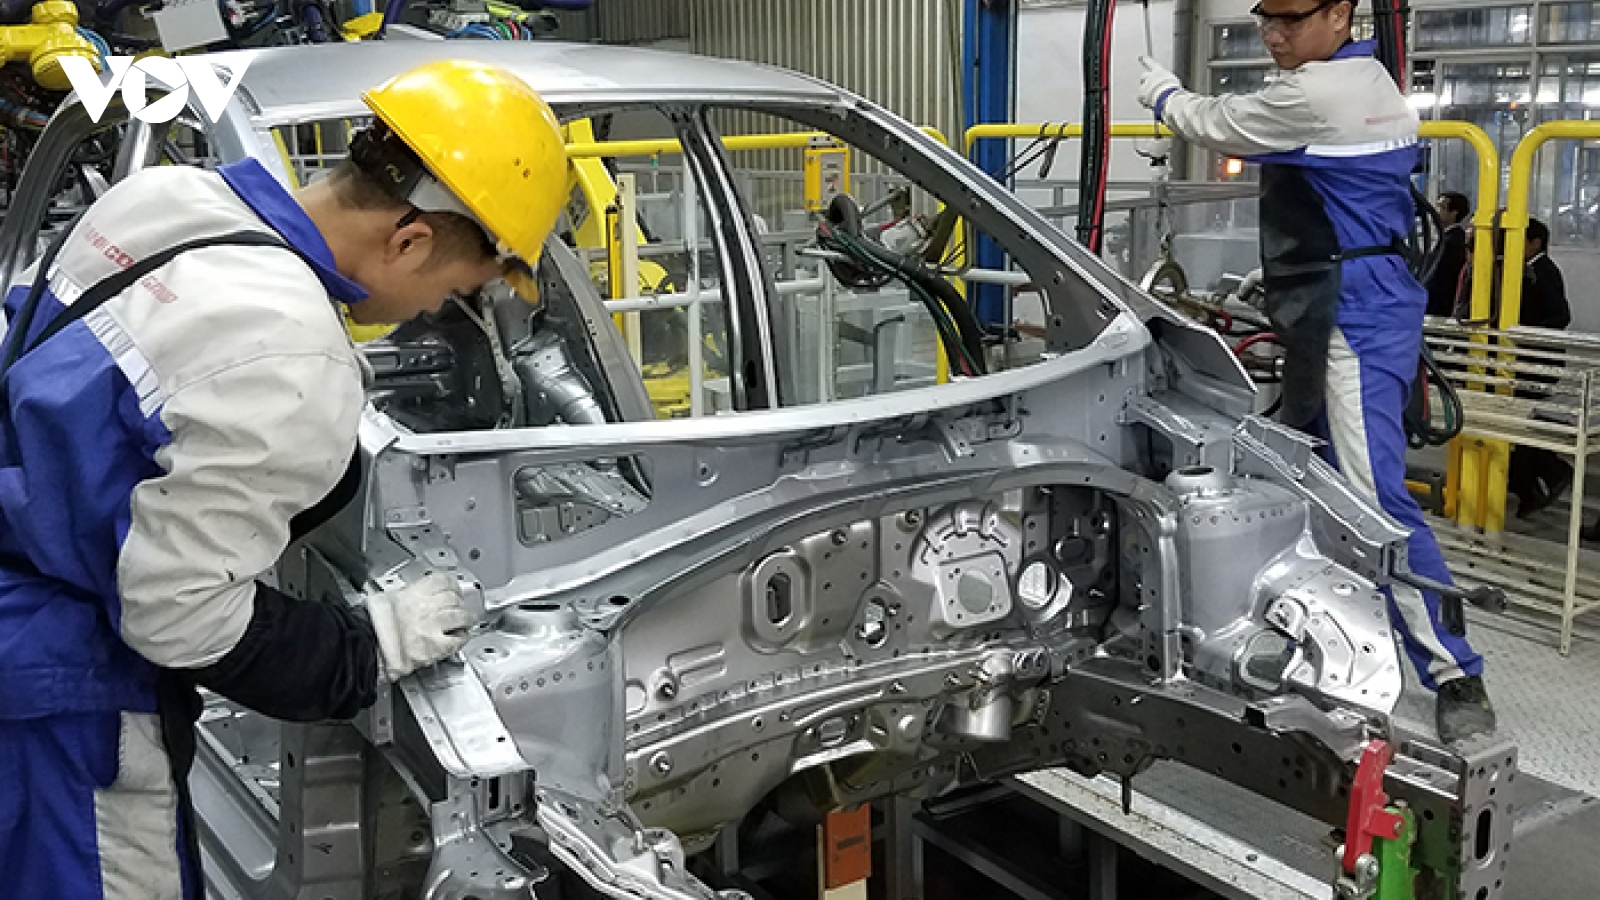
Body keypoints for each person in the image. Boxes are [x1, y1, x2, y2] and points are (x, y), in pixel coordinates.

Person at [0, 60, 568, 898]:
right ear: (409, 240)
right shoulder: (295, 351)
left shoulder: (161, 200)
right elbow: (179, 619)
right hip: (64, 703)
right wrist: (373, 645)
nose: (430, 314)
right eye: (451, 289)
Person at [1137, 0, 1496, 744]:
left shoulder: (1317, 92)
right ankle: (1342, 643)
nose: (1273, 34)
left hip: (1353, 318)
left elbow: (1217, 123)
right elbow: (1342, 202)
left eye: (1291, 20)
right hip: (1350, 299)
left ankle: (1455, 672)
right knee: (1315, 481)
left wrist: (1163, 94)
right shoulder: (1366, 78)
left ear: (1339, 13)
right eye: (1264, 19)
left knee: (1373, 503)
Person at [1507, 217, 1574, 518]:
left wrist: (1527, 334)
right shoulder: (1525, 270)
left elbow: (1560, 316)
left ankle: (1549, 472)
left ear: (1534, 243)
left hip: (1536, 362)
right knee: (1519, 426)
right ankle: (1530, 487)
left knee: (1521, 427)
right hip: (1525, 360)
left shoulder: (1543, 272)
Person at [1428, 191, 1471, 317]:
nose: (1436, 211)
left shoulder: (1453, 241)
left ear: (1454, 213)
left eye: (1441, 207)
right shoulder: (1444, 238)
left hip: (1440, 308)